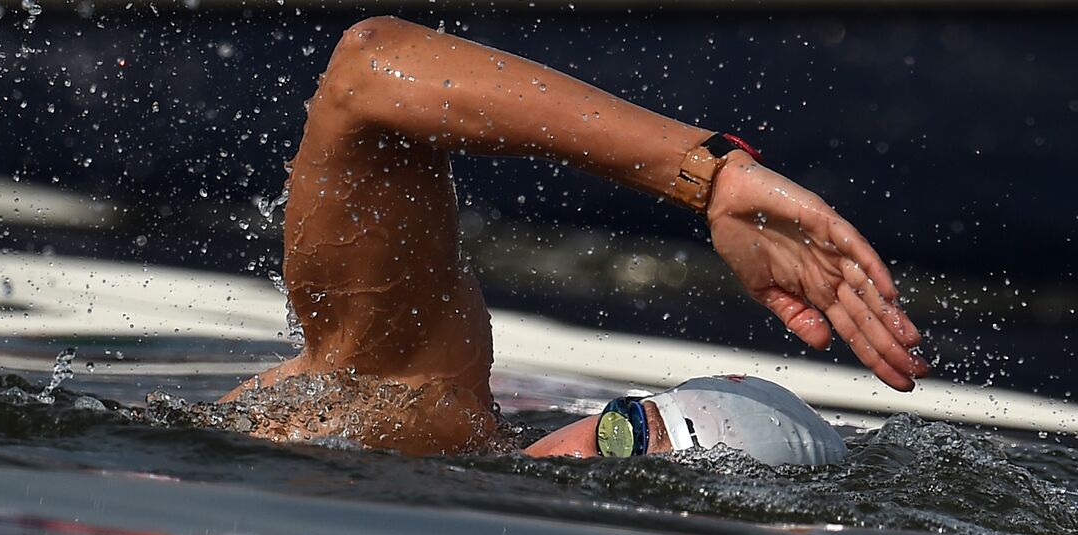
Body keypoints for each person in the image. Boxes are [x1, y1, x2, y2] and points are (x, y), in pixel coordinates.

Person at [219, 16, 927, 463]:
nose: (589, 464)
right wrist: (708, 175)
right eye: (623, 431)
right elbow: (366, 70)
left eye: (631, 472)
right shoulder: (422, 410)